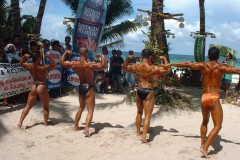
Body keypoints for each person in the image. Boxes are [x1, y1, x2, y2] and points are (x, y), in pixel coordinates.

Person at [170, 47, 240, 159]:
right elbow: (237, 71)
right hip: (214, 97)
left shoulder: (203, 65)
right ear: (218, 57)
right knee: (218, 125)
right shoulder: (221, 67)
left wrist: (169, 64)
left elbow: (186, 64)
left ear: (208, 56)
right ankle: (205, 147)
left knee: (205, 121)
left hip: (204, 97)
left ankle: (202, 143)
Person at [122, 49, 171, 143]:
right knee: (148, 115)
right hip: (148, 91)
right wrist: (164, 58)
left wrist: (127, 58)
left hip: (139, 90)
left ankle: (138, 132)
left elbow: (124, 68)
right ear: (150, 57)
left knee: (139, 112)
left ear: (141, 56)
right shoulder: (153, 68)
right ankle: (144, 136)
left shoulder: (136, 67)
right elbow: (168, 70)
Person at [60, 48, 107, 137]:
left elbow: (62, 62)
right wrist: (101, 56)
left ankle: (76, 126)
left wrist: (65, 53)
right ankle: (86, 129)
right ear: (87, 54)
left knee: (81, 108)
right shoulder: (90, 64)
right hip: (89, 88)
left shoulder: (75, 63)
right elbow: (103, 65)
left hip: (81, 87)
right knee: (90, 110)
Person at [17, 42, 57, 129]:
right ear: (39, 58)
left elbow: (21, 63)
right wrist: (49, 57)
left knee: (28, 106)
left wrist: (24, 57)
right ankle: (46, 123)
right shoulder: (43, 67)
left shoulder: (30, 66)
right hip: (42, 85)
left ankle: (20, 123)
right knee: (46, 106)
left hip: (34, 85)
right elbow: (54, 65)